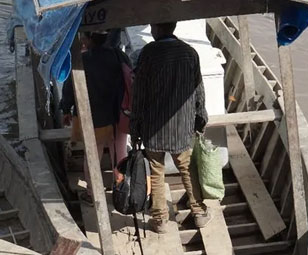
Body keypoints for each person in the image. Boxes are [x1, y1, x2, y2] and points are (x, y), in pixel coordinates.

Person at [130, 22, 211, 234]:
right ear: (173, 28)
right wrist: (200, 119)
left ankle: (160, 220)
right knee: (187, 168)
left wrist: (135, 126)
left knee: (157, 172)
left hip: (153, 126)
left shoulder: (148, 53)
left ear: (156, 29)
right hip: (182, 127)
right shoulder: (189, 53)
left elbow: (138, 93)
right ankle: (199, 213)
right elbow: (198, 91)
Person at [61, 31, 131, 176]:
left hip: (93, 116)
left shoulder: (82, 59)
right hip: (119, 113)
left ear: (89, 39)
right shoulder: (119, 56)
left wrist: (66, 108)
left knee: (93, 154)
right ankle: (121, 186)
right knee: (119, 152)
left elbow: (70, 87)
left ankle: (91, 191)